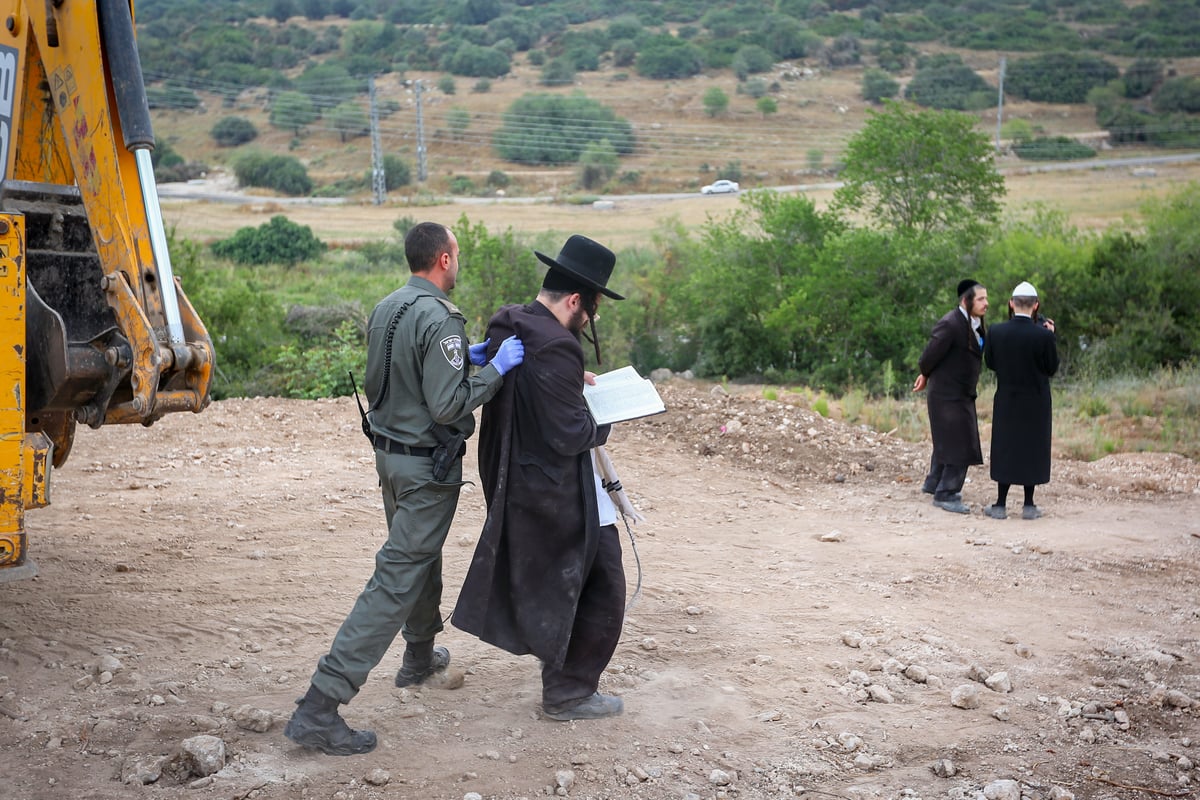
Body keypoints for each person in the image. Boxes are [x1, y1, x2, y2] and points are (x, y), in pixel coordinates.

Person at [284, 222, 525, 756]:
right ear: (443, 258)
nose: (457, 263)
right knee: (395, 578)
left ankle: (418, 658)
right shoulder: (440, 316)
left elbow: (400, 377)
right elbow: (446, 406)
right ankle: (320, 706)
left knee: (419, 558)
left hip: (391, 460)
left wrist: (469, 356)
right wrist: (495, 373)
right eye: (456, 255)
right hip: (425, 469)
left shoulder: (389, 305)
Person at [452, 234, 628, 722]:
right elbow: (572, 432)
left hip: (518, 482)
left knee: (565, 582)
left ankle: (565, 686)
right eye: (590, 310)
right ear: (575, 300)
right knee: (603, 583)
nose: (590, 320)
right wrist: (612, 413)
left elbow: (541, 392)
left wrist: (574, 385)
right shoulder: (556, 345)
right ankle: (568, 693)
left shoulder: (513, 322)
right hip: (553, 489)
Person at [982, 281, 1059, 521]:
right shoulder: (1043, 335)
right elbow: (1051, 368)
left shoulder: (995, 331)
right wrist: (1051, 337)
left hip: (1007, 399)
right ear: (1036, 305)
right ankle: (1028, 504)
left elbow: (991, 363)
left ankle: (1000, 504)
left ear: (1011, 303)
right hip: (1036, 401)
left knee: (1006, 446)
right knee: (1031, 448)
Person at [914, 279, 989, 514]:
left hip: (960, 393)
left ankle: (933, 482)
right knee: (961, 443)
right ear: (966, 301)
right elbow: (929, 356)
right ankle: (946, 493)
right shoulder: (950, 323)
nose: (986, 303)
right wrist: (924, 373)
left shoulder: (974, 323)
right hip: (946, 394)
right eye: (981, 299)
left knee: (948, 439)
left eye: (986, 298)